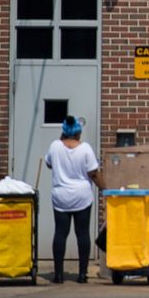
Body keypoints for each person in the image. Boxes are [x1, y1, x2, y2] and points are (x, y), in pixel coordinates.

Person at [45, 115, 103, 284]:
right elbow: (93, 173)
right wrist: (104, 188)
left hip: (61, 196)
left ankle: (58, 274)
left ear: (63, 132)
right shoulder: (85, 149)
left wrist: (61, 139)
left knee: (61, 233)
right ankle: (82, 274)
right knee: (82, 233)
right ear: (79, 133)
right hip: (81, 197)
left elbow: (49, 164)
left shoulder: (55, 146)